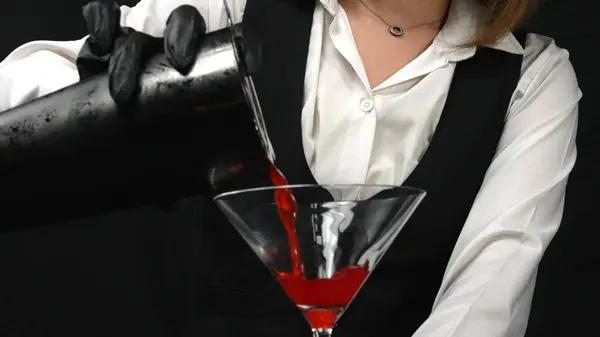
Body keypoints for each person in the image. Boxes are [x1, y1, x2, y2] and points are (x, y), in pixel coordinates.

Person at [0, 0, 581, 336]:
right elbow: (25, 98)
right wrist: (89, 91)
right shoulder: (234, 0)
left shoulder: (532, 75)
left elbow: (485, 303)